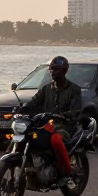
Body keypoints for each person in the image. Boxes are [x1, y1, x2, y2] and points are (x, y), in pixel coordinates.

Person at [20, 55, 82, 185]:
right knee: (29, 136)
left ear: (64, 70)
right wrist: (21, 109)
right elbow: (34, 102)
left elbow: (76, 110)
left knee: (56, 140)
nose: (52, 71)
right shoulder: (45, 89)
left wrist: (66, 114)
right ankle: (34, 166)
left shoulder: (74, 89)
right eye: (51, 68)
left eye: (56, 69)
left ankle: (67, 172)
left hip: (64, 125)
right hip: (46, 124)